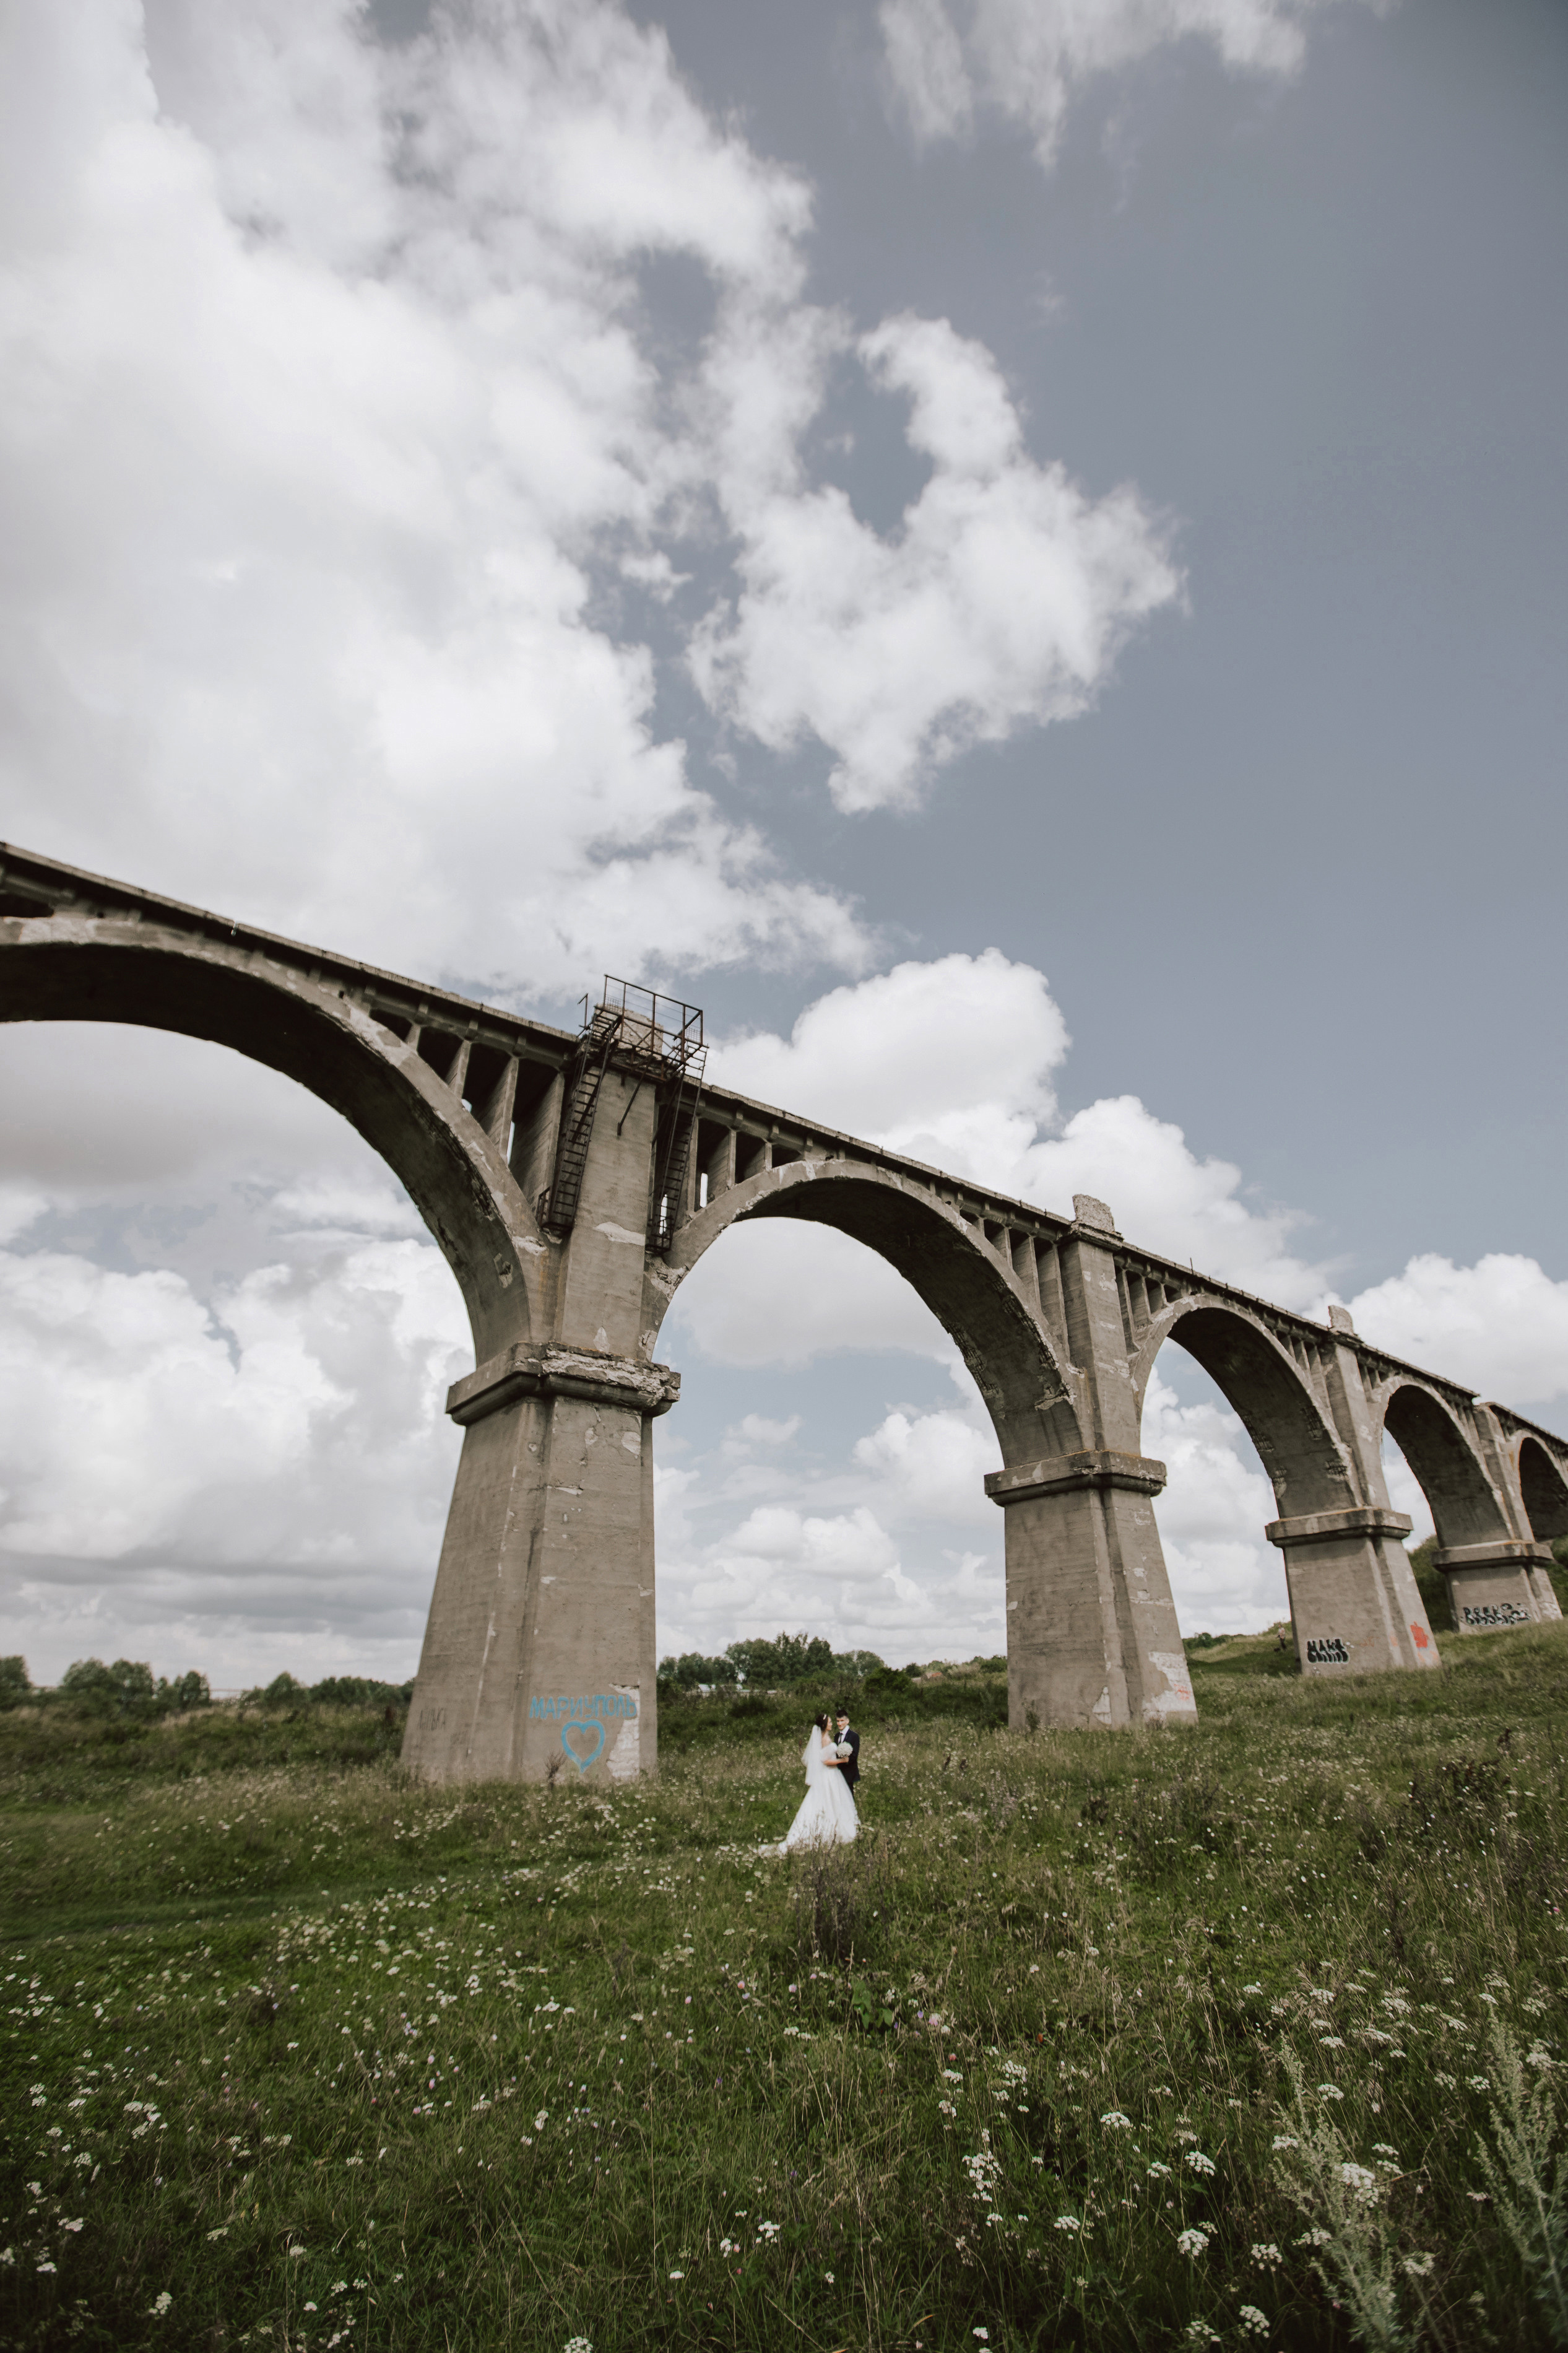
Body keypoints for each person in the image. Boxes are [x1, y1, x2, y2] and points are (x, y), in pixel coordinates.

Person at [780, 1711, 858, 1850]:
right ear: (824, 1725)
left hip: (833, 1775)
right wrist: (842, 1760)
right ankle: (830, 1832)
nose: (832, 1724)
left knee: (833, 1801)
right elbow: (825, 1761)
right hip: (829, 1775)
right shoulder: (824, 1740)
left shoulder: (825, 1737)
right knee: (830, 1801)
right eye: (830, 1722)